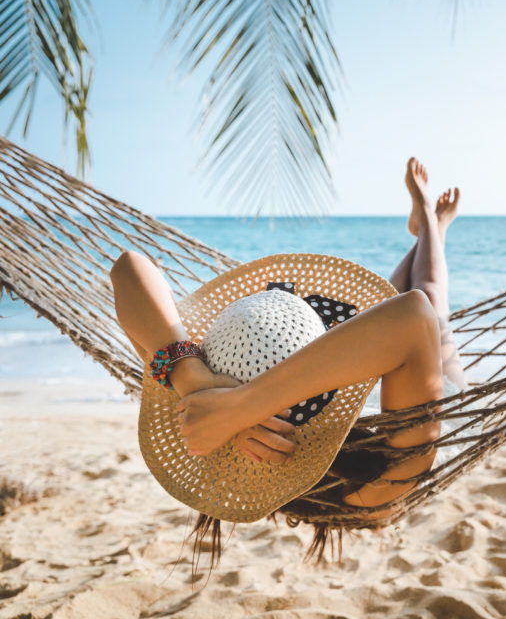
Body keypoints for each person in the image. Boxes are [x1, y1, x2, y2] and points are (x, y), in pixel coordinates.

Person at [109, 157, 463, 511]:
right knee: (432, 295)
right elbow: (417, 315)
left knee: (396, 297)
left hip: (359, 360)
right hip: (424, 395)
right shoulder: (375, 484)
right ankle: (433, 225)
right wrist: (239, 408)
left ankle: (430, 225)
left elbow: (127, 269)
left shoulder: (197, 414)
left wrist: (196, 382)